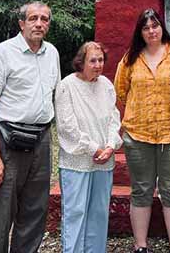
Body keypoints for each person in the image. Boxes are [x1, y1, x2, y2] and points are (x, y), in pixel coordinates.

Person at [0, 2, 61, 253]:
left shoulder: (52, 53)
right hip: (8, 140)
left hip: (41, 139)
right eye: (33, 18)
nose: (39, 23)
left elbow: (57, 96)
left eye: (44, 19)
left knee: (35, 211)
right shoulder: (3, 53)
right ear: (21, 23)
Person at [114, 8, 170, 253]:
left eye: (155, 26)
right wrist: (129, 122)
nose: (151, 31)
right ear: (140, 32)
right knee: (141, 189)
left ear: (162, 28)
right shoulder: (130, 59)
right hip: (138, 135)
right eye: (146, 27)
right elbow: (120, 93)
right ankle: (140, 246)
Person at [55, 41, 122, 253]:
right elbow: (67, 126)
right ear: (81, 62)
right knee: (76, 213)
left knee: (99, 213)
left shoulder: (106, 85)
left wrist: (110, 145)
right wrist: (94, 148)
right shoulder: (67, 86)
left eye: (101, 60)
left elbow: (114, 118)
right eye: (92, 60)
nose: (97, 65)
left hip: (104, 161)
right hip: (77, 162)